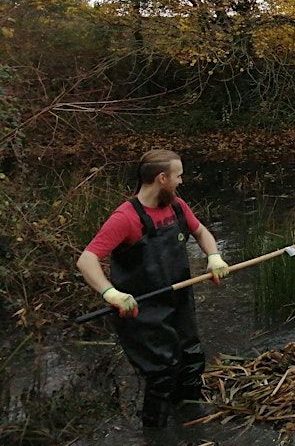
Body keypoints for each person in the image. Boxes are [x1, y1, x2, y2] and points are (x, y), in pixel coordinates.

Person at [76, 150, 230, 429]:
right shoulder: (126, 217)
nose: (181, 181)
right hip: (142, 310)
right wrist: (110, 293)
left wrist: (214, 256)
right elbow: (87, 260)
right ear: (162, 178)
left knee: (192, 359)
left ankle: (192, 425)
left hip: (179, 300)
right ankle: (156, 433)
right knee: (162, 373)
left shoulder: (177, 207)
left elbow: (200, 232)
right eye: (178, 176)